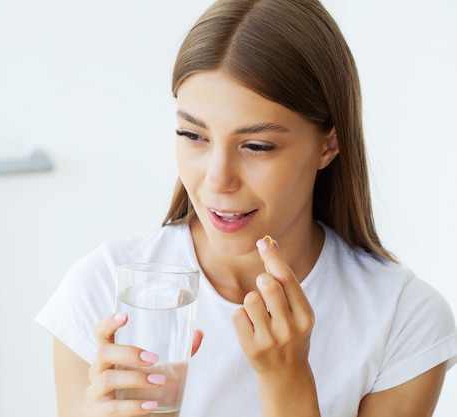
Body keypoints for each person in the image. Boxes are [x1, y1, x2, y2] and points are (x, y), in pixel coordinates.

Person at [36, 0, 457, 415]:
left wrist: (287, 381)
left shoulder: (403, 318)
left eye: (257, 146)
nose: (218, 179)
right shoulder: (105, 288)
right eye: (193, 134)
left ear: (328, 144)